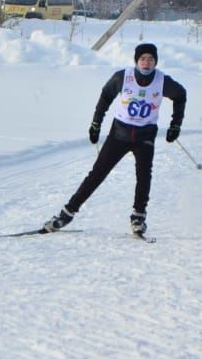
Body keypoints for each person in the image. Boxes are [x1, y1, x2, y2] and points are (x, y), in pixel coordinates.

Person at [43, 43, 187, 236]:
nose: (146, 63)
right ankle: (67, 213)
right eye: (143, 59)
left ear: (155, 62)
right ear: (137, 61)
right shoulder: (122, 77)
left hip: (145, 134)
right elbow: (105, 98)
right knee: (97, 173)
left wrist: (175, 124)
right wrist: (96, 124)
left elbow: (181, 95)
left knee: (144, 175)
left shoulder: (162, 81)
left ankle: (138, 216)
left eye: (151, 59)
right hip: (120, 133)